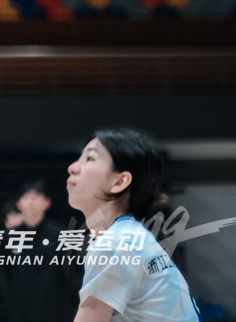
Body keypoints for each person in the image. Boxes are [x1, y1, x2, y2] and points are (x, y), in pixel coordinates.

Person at [65, 129, 199, 322]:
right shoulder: (131, 236)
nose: (72, 167)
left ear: (119, 181)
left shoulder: (116, 243)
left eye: (90, 158)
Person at [0, 180, 79, 322]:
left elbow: (70, 280)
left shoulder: (60, 236)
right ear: (19, 203)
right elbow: (5, 279)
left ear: (47, 203)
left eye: (36, 197)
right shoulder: (8, 239)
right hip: (21, 315)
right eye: (27, 197)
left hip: (55, 315)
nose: (31, 202)